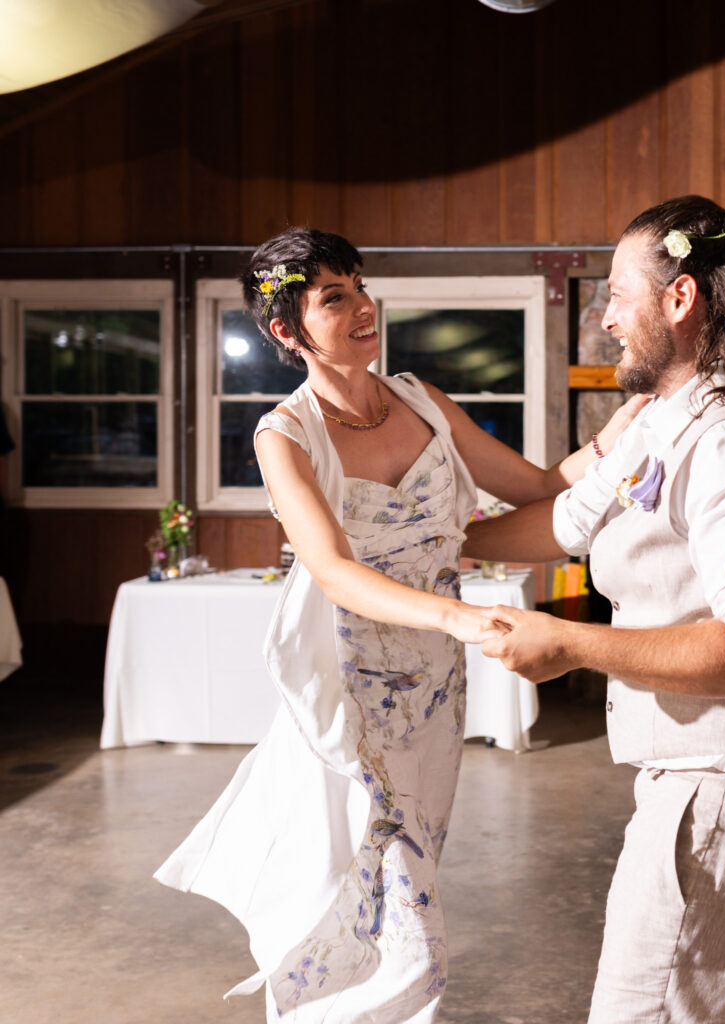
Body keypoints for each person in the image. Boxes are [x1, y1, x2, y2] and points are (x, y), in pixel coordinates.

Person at [154, 227, 646, 1023]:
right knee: (397, 899)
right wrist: (459, 614)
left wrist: (633, 423)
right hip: (350, 687)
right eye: (332, 297)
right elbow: (336, 572)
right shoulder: (285, 434)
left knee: (400, 886)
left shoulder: (420, 398)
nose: (361, 307)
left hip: (435, 693)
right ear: (287, 331)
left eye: (360, 286)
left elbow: (537, 485)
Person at [467, 195, 725, 1024]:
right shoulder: (662, 419)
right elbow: (569, 520)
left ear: (679, 299)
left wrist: (571, 643)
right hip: (696, 788)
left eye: (617, 294)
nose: (606, 318)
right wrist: (414, 539)